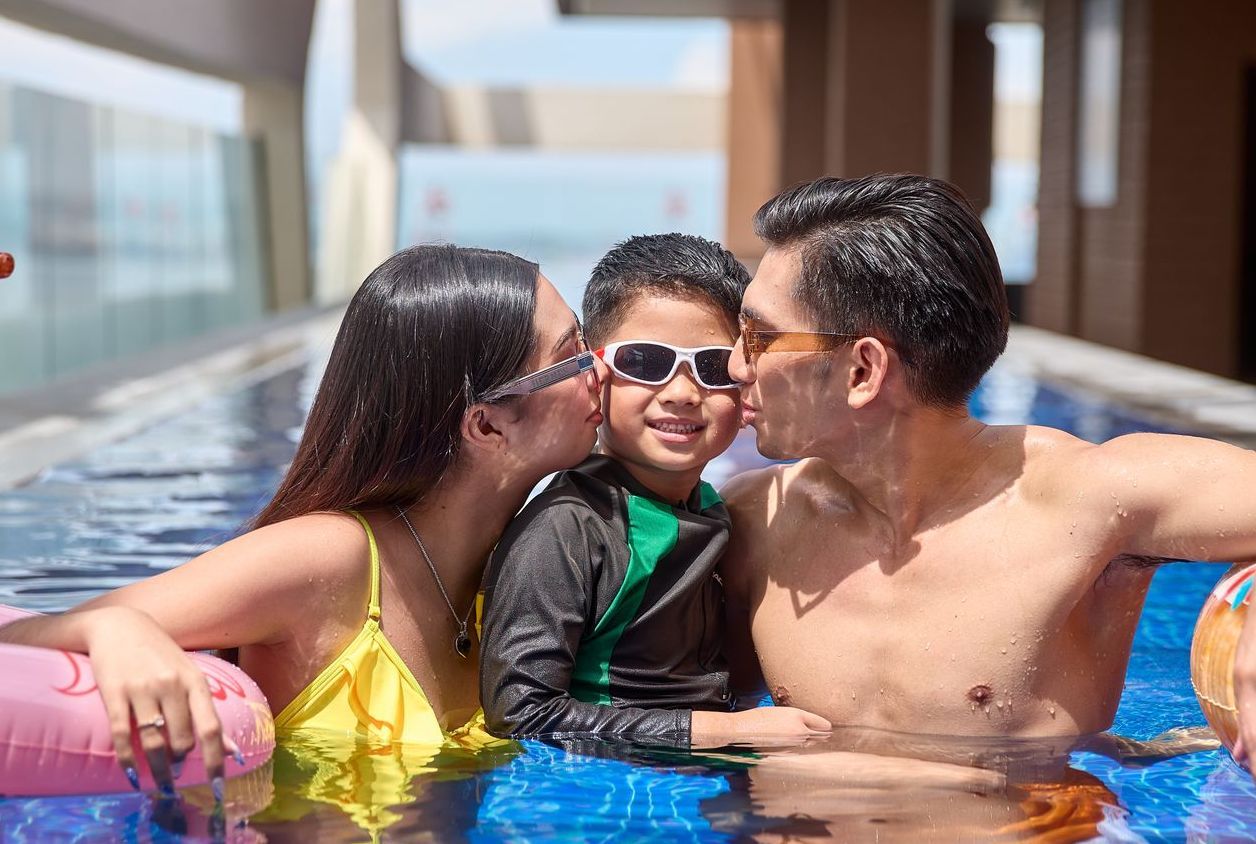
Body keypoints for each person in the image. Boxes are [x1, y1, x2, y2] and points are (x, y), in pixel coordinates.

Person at [0, 244, 604, 797]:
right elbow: (19, 640)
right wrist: (113, 628)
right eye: (571, 355)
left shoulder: (527, 569)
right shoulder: (328, 560)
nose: (600, 370)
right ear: (487, 425)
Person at [719, 174, 1256, 745]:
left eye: (759, 337)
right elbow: (671, 707)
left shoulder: (1087, 501)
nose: (733, 365)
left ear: (862, 371)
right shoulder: (758, 522)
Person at [479, 233, 831, 746]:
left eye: (712, 367)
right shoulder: (567, 529)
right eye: (645, 362)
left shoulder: (712, 509)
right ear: (595, 372)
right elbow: (519, 714)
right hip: (599, 782)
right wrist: (721, 730)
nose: (683, 393)